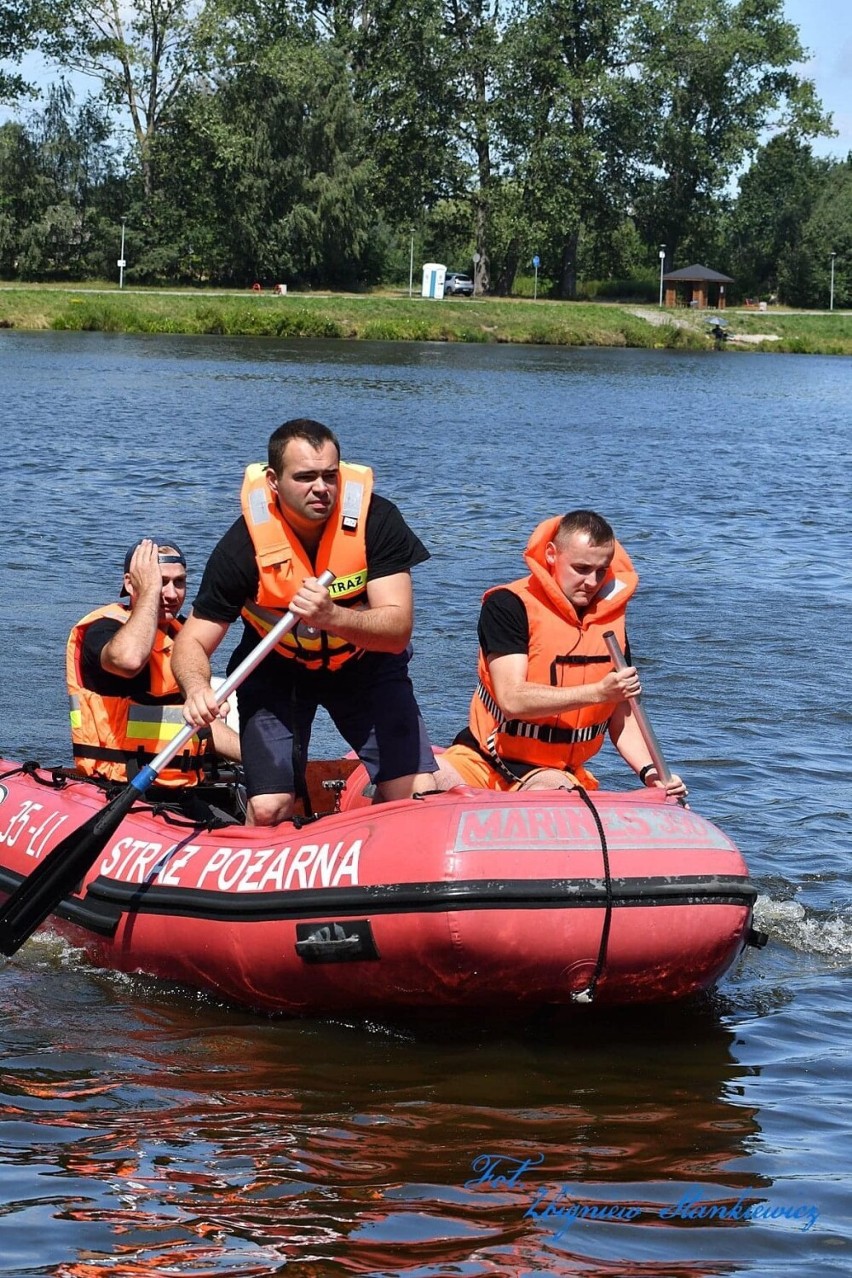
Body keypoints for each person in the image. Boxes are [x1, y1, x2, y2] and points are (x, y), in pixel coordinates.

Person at [171, 419, 438, 826]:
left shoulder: (377, 521)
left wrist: (332, 616)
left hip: (364, 666)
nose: (321, 488)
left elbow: (398, 628)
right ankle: (254, 875)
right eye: (306, 477)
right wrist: (195, 689)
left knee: (416, 791)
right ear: (274, 482)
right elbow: (191, 642)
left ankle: (373, 858)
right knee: (270, 807)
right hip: (278, 671)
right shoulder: (241, 547)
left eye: (330, 476)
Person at [436, 510, 687, 797]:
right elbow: (512, 699)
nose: (592, 583)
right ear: (552, 555)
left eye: (601, 571)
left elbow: (622, 715)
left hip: (552, 772)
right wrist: (598, 692)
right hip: (481, 758)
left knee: (550, 790)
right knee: (422, 780)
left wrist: (651, 773)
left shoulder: (610, 624)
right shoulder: (508, 605)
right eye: (581, 569)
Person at [66, 538, 241, 787]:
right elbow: (129, 660)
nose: (171, 594)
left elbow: (200, 724)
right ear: (130, 583)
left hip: (179, 786)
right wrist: (148, 592)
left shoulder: (182, 636)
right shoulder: (102, 630)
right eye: (160, 582)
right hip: (116, 786)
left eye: (179, 582)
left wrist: (258, 759)